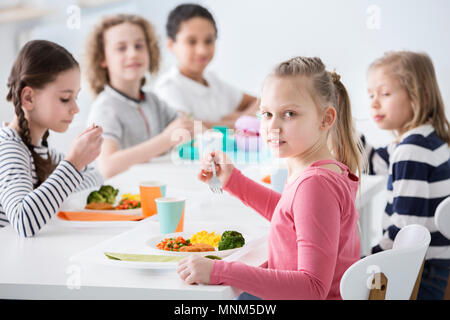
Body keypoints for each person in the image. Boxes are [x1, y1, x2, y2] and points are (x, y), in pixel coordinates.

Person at [177, 56, 364, 300]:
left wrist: (218, 271)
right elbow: (291, 215)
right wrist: (232, 179)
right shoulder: (325, 171)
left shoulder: (315, 184)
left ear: (326, 119)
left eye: (289, 114)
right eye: (266, 114)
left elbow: (312, 287)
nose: (273, 126)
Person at [362, 51, 450, 300]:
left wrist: (366, 259)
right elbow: (374, 162)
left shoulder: (412, 150)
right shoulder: (425, 139)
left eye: (385, 94)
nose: (374, 103)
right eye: (371, 95)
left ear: (418, 96)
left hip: (420, 275)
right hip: (434, 268)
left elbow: (407, 233)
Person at [0, 40, 104, 237]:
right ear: (28, 98)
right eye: (65, 98)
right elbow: (23, 221)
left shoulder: (39, 149)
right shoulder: (9, 149)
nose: (76, 108)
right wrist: (73, 164)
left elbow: (96, 177)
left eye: (76, 97)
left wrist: (59, 184)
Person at [85, 14, 195, 179]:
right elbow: (107, 166)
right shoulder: (105, 107)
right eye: (121, 48)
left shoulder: (153, 101)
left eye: (139, 46)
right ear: (103, 59)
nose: (133, 54)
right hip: (125, 197)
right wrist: (165, 140)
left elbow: (183, 127)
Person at [154, 3, 258, 128]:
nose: (202, 50)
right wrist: (240, 123)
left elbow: (261, 102)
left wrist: (243, 117)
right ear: (171, 45)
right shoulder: (168, 88)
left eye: (209, 41)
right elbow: (185, 128)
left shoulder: (213, 81)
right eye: (191, 42)